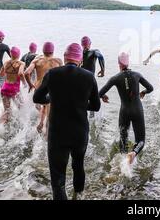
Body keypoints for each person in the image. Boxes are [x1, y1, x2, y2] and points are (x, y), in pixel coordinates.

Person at [33, 43, 100, 200]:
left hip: (57, 133)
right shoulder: (89, 76)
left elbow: (37, 98)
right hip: (79, 132)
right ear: (79, 61)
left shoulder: (52, 74)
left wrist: (53, 99)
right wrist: (80, 104)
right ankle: (79, 195)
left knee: (58, 180)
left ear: (65, 57)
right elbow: (96, 106)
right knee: (78, 166)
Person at [99, 52, 153, 164]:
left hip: (124, 112)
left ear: (119, 63)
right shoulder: (137, 75)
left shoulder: (115, 78)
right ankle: (133, 153)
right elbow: (150, 88)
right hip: (137, 111)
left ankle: (122, 165)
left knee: (123, 141)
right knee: (140, 141)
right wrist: (143, 92)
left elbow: (99, 93)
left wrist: (103, 96)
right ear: (128, 62)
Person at [25, 42, 63, 133]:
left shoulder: (37, 59)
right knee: (48, 109)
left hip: (39, 88)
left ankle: (41, 122)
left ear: (43, 50)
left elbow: (26, 73)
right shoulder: (58, 61)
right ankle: (46, 132)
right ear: (52, 51)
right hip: (51, 88)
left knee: (43, 106)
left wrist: (30, 84)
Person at [0, 47, 26, 124]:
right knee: (22, 107)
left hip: (4, 88)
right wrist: (25, 83)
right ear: (19, 54)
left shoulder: (6, 62)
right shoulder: (21, 63)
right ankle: (22, 125)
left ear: (10, 54)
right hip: (14, 88)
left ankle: (0, 127)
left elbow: (1, 74)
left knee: (7, 111)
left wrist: (9, 74)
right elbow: (20, 73)